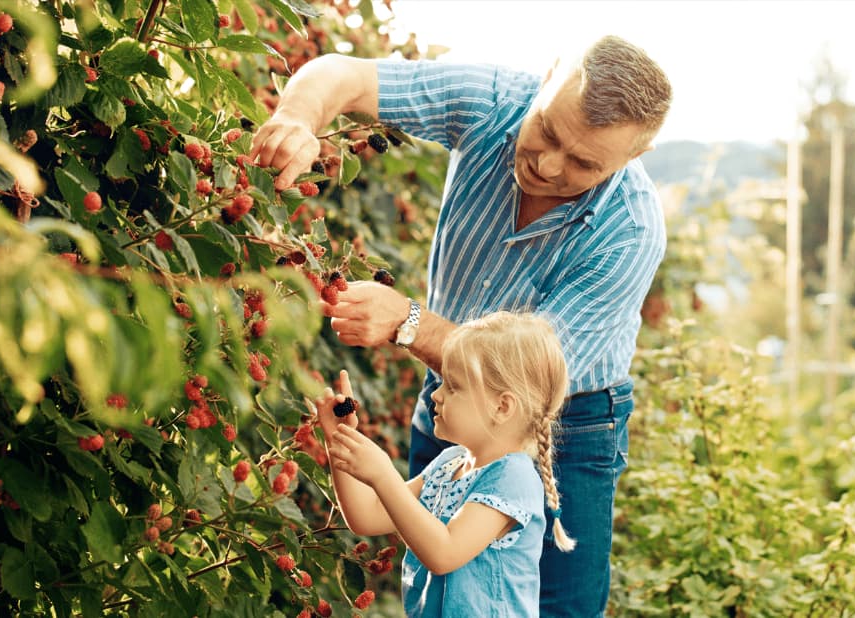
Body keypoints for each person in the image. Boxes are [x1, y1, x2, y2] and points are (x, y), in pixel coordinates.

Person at [250, 35, 672, 616]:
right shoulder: (492, 99)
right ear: (545, 78)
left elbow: (522, 376)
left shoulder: (628, 232)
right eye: (548, 130)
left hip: (568, 417)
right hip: (455, 388)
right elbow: (343, 74)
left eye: (583, 163)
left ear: (632, 159)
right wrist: (297, 118)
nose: (547, 165)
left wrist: (409, 322)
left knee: (562, 605)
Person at [313, 312, 573, 618]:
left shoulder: (512, 478)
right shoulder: (449, 465)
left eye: (453, 386)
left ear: (501, 407)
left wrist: (383, 475)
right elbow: (366, 516)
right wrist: (339, 438)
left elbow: (444, 553)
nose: (435, 395)